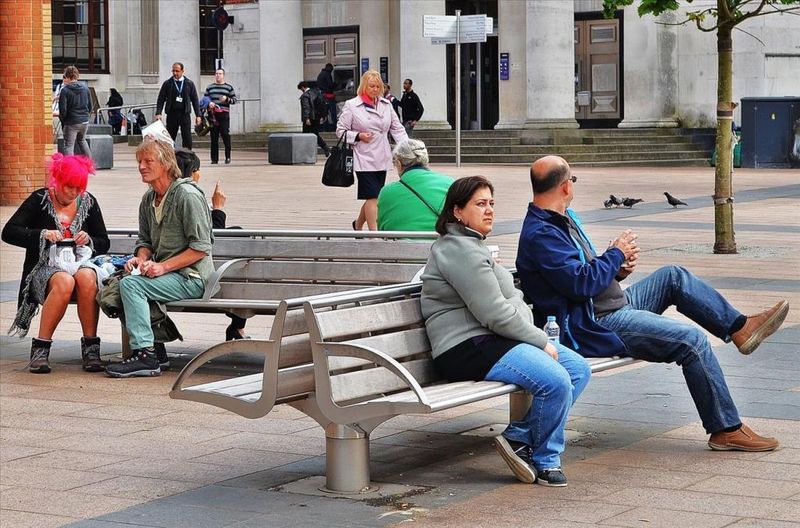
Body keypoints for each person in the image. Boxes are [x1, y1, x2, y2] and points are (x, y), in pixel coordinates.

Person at [516, 155, 789, 452]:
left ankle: (740, 328)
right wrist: (616, 254)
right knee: (692, 340)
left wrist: (617, 269)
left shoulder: (561, 218)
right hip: (596, 323)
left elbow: (584, 273)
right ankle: (726, 429)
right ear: (566, 186)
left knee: (674, 277)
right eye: (573, 180)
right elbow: (580, 284)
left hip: (612, 304)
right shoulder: (543, 233)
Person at [420, 176, 590, 486]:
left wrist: (516, 308)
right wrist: (540, 340)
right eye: (480, 204)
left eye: (492, 204)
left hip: (490, 339)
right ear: (457, 212)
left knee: (577, 368)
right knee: (555, 379)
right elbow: (495, 312)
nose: (489, 211)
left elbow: (511, 299)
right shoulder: (460, 250)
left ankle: (518, 437)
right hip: (463, 347)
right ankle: (546, 457)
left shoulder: (473, 245)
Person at [105, 138, 214, 378]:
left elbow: (201, 248)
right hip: (167, 274)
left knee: (132, 286)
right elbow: (145, 242)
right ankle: (157, 349)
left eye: (148, 161)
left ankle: (145, 355)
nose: (141, 166)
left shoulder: (187, 196)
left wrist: (162, 267)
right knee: (116, 286)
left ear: (166, 164)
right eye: (139, 161)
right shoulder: (148, 199)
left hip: (193, 277)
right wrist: (141, 259)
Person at [2, 154, 110, 374]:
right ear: (57, 181)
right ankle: (40, 349)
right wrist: (41, 235)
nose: (73, 193)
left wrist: (88, 239)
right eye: (69, 187)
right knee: (64, 282)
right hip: (44, 267)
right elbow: (9, 232)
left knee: (87, 278)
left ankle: (91, 349)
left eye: (78, 188)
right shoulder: (39, 199)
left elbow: (103, 241)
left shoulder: (88, 202)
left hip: (80, 263)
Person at [337, 70, 407, 231]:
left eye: (378, 86)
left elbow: (397, 128)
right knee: (373, 196)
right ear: (364, 87)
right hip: (363, 157)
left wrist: (407, 147)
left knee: (374, 197)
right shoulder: (352, 105)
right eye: (371, 86)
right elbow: (340, 131)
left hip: (382, 156)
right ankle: (374, 234)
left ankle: (358, 224)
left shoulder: (386, 104)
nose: (375, 89)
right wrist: (359, 135)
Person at [377, 139, 452, 232]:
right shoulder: (449, 183)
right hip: (441, 244)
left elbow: (383, 227)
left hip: (400, 245)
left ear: (399, 164)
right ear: (426, 160)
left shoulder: (386, 192)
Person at [155, 62, 201, 150]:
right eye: (173, 71)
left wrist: (198, 115)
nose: (175, 73)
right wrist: (158, 112)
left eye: (177, 71)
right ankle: (169, 156)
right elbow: (161, 99)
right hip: (172, 114)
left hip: (184, 114)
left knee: (187, 137)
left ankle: (187, 157)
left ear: (182, 71)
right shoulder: (168, 83)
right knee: (170, 137)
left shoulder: (189, 83)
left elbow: (195, 100)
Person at [204, 68, 237, 164]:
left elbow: (234, 100)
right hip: (213, 115)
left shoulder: (229, 88)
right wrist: (209, 103)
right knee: (213, 137)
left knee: (225, 135)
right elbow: (205, 99)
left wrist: (227, 99)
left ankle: (228, 156)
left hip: (224, 114)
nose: (218, 75)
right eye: (216, 73)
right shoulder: (210, 87)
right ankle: (214, 159)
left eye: (220, 73)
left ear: (223, 75)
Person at [59, 66, 93, 157]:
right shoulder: (86, 88)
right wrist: (86, 116)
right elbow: (90, 106)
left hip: (71, 122)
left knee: (68, 146)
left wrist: (64, 121)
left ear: (67, 76)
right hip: (84, 121)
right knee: (82, 141)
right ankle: (90, 165)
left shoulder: (65, 90)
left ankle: (70, 169)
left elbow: (63, 110)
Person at [297, 81, 330, 157]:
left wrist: (306, 118)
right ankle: (325, 148)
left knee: (306, 135)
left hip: (310, 118)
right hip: (317, 117)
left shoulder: (305, 95)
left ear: (303, 87)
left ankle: (306, 152)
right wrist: (323, 116)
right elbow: (321, 105)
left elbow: (306, 108)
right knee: (315, 134)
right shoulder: (317, 93)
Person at [316, 62, 336, 130]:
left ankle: (324, 127)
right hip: (328, 96)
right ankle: (332, 127)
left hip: (322, 95)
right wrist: (336, 85)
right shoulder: (327, 74)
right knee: (331, 112)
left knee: (324, 112)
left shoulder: (320, 74)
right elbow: (330, 85)